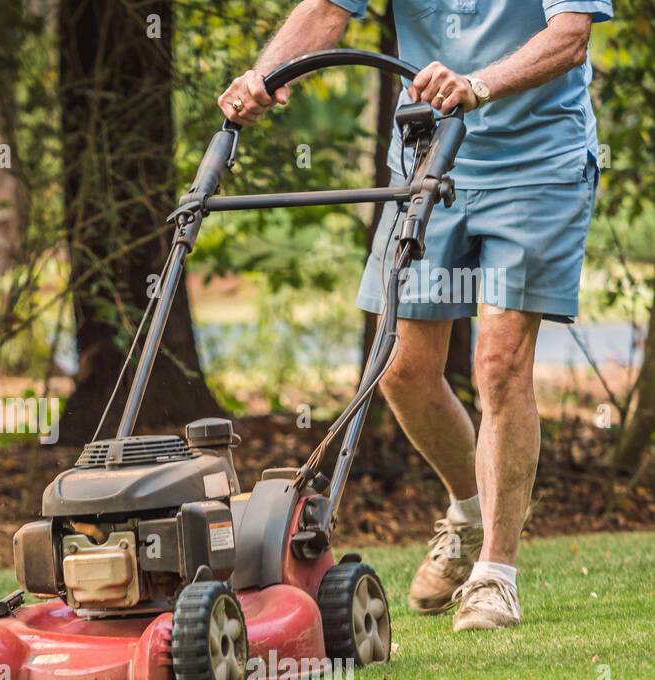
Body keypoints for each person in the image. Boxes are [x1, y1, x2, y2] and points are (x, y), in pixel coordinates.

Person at [218, 0, 612, 631]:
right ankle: (468, 509)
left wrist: (477, 84)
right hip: (432, 159)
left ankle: (495, 576)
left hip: (537, 169)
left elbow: (569, 39)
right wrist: (263, 78)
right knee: (402, 369)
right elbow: (325, 9)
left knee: (500, 362)